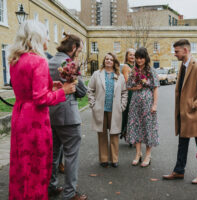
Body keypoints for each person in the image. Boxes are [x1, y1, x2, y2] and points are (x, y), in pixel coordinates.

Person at [8, 20, 75, 200]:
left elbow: (27, 89)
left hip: (19, 114)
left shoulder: (15, 60)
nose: (47, 38)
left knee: (21, 165)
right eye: (45, 34)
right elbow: (40, 99)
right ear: (37, 37)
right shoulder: (38, 61)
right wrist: (63, 91)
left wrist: (50, 84)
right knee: (36, 166)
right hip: (35, 121)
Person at [162, 39, 197, 183]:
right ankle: (178, 171)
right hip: (183, 114)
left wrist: (193, 105)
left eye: (176, 51)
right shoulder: (182, 65)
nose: (174, 54)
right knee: (182, 144)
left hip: (195, 115)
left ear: (186, 50)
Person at [48, 32, 88, 200]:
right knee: (71, 156)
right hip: (69, 116)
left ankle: (51, 186)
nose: (78, 53)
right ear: (73, 48)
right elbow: (82, 91)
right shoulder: (69, 63)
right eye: (78, 50)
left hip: (50, 114)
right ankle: (70, 193)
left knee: (54, 153)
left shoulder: (49, 62)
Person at [87, 53, 128, 168]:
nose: (108, 61)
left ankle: (114, 159)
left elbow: (124, 92)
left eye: (111, 59)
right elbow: (90, 89)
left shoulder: (119, 76)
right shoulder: (97, 74)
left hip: (115, 110)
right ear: (104, 61)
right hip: (100, 109)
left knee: (114, 134)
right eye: (106, 59)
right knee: (102, 134)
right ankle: (104, 159)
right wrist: (93, 104)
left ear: (114, 62)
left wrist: (122, 106)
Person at [126, 47, 159, 167]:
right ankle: (138, 154)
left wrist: (155, 104)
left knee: (147, 128)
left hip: (148, 103)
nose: (139, 60)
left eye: (141, 58)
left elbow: (155, 87)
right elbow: (128, 86)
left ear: (146, 58)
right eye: (137, 58)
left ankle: (148, 155)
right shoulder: (133, 71)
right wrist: (136, 88)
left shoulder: (151, 71)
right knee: (136, 127)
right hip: (135, 102)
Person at [120, 48, 135, 141]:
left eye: (134, 54)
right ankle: (126, 132)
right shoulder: (126, 66)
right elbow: (127, 82)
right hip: (129, 92)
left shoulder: (136, 66)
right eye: (130, 54)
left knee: (134, 114)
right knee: (129, 113)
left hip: (136, 91)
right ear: (127, 56)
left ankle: (133, 133)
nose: (132, 56)